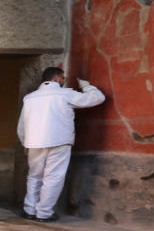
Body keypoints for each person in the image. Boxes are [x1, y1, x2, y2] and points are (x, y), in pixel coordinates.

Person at [17, 67, 105, 222]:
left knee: (34, 176)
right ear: (57, 78)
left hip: (34, 142)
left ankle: (29, 210)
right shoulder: (65, 94)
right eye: (63, 78)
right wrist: (86, 86)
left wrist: (25, 142)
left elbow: (22, 125)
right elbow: (97, 98)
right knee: (53, 177)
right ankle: (44, 213)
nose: (63, 80)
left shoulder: (29, 98)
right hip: (59, 141)